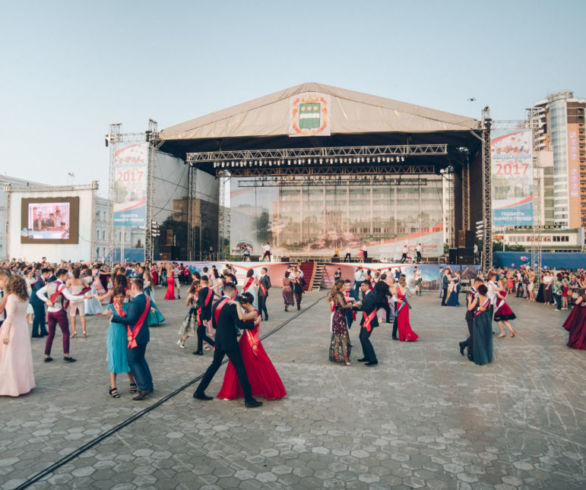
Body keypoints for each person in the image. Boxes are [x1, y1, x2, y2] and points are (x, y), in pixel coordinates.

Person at [193, 284, 262, 408]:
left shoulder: (217, 303)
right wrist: (254, 324)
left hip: (219, 340)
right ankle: (249, 399)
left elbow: (214, 324)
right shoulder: (231, 304)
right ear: (234, 292)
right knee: (240, 368)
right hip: (229, 341)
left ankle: (199, 391)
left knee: (214, 365)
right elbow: (240, 324)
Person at [217, 292, 286, 399]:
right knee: (243, 365)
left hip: (252, 342)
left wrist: (236, 305)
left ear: (247, 303)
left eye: (242, 303)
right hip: (246, 339)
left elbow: (241, 317)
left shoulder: (254, 312)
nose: (242, 305)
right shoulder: (250, 310)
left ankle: (269, 390)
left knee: (258, 365)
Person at [103, 278, 153, 401]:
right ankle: (147, 385)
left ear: (135, 287)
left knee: (133, 361)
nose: (130, 289)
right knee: (140, 360)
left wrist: (113, 317)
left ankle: (143, 387)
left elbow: (130, 320)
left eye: (131, 286)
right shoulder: (146, 299)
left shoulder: (135, 302)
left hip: (135, 336)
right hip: (141, 335)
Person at [36, 268, 88, 363]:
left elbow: (38, 293)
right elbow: (70, 297)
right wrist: (84, 297)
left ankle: (47, 354)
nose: (68, 277)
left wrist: (46, 300)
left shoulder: (50, 284)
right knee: (66, 333)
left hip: (50, 311)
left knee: (51, 334)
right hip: (59, 311)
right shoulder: (61, 286)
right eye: (66, 275)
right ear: (62, 275)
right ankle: (66, 354)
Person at [0, 275, 35, 397]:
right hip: (22, 327)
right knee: (21, 356)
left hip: (13, 328)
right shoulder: (24, 297)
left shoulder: (11, 298)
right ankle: (24, 384)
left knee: (9, 356)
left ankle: (11, 386)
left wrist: (5, 334)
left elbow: (9, 317)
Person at [104, 286, 137, 398]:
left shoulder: (128, 306)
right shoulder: (110, 307)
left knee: (127, 358)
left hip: (126, 335)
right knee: (113, 359)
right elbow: (107, 314)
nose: (119, 299)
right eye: (117, 297)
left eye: (122, 296)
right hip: (113, 335)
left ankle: (132, 381)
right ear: (114, 297)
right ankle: (113, 386)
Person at [354, 281, 378, 366]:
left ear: (367, 286)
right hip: (365, 319)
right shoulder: (367, 294)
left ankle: (373, 359)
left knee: (364, 338)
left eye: (363, 285)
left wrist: (354, 307)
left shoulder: (371, 295)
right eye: (361, 285)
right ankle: (367, 356)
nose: (361, 287)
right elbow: (365, 304)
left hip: (370, 320)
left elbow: (366, 307)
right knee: (361, 337)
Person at [459, 277, 483, 360]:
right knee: (474, 336)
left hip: (477, 315)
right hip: (471, 316)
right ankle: (470, 354)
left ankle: (463, 344)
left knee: (475, 335)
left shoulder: (477, 292)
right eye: (480, 284)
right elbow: (469, 307)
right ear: (476, 283)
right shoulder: (470, 292)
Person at [193, 276, 216, 356]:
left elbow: (202, 304)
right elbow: (208, 305)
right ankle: (200, 350)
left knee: (200, 333)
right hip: (208, 314)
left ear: (202, 281)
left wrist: (203, 318)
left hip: (202, 315)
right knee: (200, 333)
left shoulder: (201, 291)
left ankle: (215, 345)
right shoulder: (211, 291)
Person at [471, 284, 493, 365]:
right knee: (486, 338)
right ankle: (487, 357)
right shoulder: (489, 299)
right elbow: (489, 309)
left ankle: (481, 358)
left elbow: (470, 308)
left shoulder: (477, 299)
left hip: (479, 319)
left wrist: (470, 300)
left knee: (479, 338)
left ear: (479, 291)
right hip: (486, 319)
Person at [393, 277, 418, 342]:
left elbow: (392, 296)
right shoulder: (407, 289)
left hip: (399, 306)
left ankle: (403, 336)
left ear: (399, 282)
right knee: (406, 321)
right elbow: (412, 294)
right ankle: (407, 336)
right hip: (405, 306)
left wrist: (397, 299)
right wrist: (415, 289)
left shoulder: (397, 289)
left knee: (400, 322)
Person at [67, 267, 89, 338]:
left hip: (73, 298)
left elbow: (65, 287)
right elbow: (88, 286)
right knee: (82, 316)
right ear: (79, 273)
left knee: (72, 316)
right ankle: (84, 332)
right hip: (80, 298)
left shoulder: (70, 280)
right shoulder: (82, 280)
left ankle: (74, 332)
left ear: (73, 273)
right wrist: (82, 289)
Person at [178, 281, 199, 349]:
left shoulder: (201, 293)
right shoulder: (192, 294)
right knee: (190, 329)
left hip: (200, 313)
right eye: (199, 286)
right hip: (194, 313)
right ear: (195, 286)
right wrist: (189, 298)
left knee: (202, 330)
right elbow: (186, 304)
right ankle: (182, 340)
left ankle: (205, 345)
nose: (201, 287)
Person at [30, 268, 50, 338]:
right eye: (48, 274)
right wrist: (47, 300)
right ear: (45, 274)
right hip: (36, 301)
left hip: (39, 301)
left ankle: (43, 330)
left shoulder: (41, 280)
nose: (49, 275)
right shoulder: (39, 281)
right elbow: (40, 292)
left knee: (42, 315)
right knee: (37, 317)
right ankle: (35, 333)